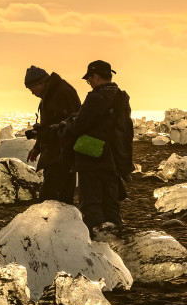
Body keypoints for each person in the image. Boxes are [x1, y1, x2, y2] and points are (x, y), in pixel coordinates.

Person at [54, 60, 133, 236]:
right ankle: (115, 239)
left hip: (91, 156)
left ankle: (96, 242)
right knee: (111, 202)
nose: (89, 83)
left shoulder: (96, 97)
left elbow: (78, 126)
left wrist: (68, 123)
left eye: (89, 80)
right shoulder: (121, 97)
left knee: (91, 203)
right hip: (113, 158)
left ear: (95, 77)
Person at [23, 65, 82, 204]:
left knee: (50, 197)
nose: (32, 92)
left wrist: (38, 134)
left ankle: (56, 224)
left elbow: (64, 126)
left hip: (61, 154)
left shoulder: (60, 93)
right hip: (58, 152)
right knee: (61, 196)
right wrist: (38, 147)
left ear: (40, 82)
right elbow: (50, 124)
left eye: (32, 88)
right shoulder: (51, 93)